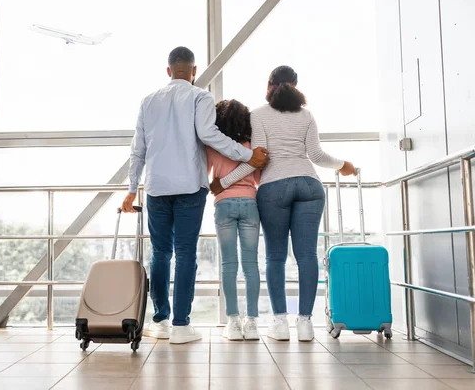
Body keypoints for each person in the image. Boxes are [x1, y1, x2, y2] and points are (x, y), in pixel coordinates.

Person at [121, 46, 269, 344]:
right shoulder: (200, 96)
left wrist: (131, 190)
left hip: (157, 188)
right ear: (194, 71)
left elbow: (137, 151)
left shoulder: (148, 101)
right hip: (190, 187)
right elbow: (208, 135)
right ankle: (181, 326)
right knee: (186, 253)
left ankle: (160, 321)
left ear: (168, 71)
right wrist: (247, 155)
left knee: (160, 253)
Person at [211, 66, 356, 342]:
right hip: (309, 185)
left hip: (274, 187)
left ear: (269, 85)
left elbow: (259, 159)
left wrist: (223, 182)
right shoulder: (306, 115)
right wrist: (344, 165)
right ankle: (305, 323)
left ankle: (280, 323)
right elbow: (316, 154)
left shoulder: (258, 114)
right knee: (306, 256)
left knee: (275, 256)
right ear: (296, 85)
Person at [207, 100, 261, 341]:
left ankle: (232, 321)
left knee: (229, 265)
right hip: (250, 204)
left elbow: (206, 176)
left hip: (224, 205)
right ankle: (252, 323)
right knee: (251, 265)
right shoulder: (250, 147)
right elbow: (258, 176)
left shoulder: (212, 147)